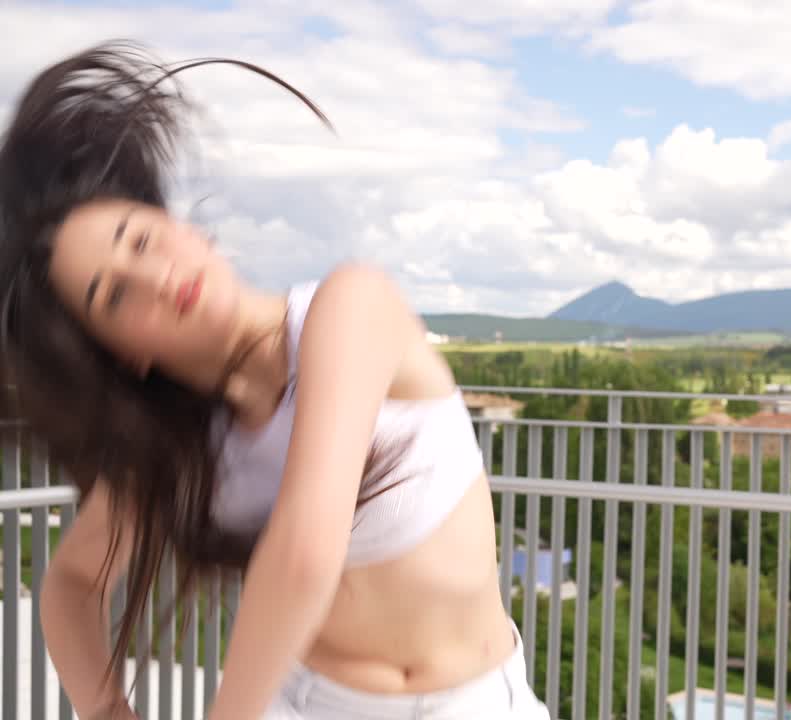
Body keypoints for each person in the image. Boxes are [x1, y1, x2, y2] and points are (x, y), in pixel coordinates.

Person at [0, 42, 549, 719]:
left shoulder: (347, 306)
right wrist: (106, 708)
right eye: (113, 297)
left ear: (180, 227)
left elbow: (304, 553)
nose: (155, 276)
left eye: (140, 240)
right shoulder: (183, 441)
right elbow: (73, 583)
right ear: (121, 355)